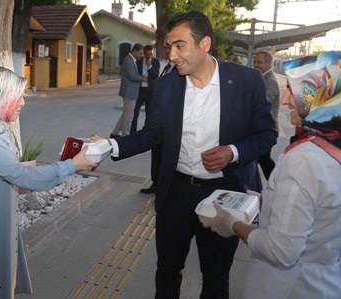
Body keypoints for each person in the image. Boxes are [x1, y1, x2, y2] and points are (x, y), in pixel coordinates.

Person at [93, 11, 277, 298]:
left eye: (180, 45)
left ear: (205, 44)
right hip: (175, 193)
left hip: (223, 195)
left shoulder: (247, 81)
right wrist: (109, 146)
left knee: (216, 277)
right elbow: (152, 134)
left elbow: (267, 134)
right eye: (169, 47)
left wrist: (233, 151)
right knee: (167, 270)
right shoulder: (167, 85)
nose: (172, 54)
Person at [0, 63, 97, 299]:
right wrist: (72, 165)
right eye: (15, 96)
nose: (23, 102)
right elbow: (22, 176)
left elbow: (12, 174)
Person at [205, 51, 341, 299]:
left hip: (287, 286)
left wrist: (233, 225)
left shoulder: (304, 160)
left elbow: (281, 251)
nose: (288, 99)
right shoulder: (332, 148)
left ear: (322, 97)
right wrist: (270, 200)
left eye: (296, 90)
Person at [140, 42, 174, 194]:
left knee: (164, 156)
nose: (167, 50)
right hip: (158, 121)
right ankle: (156, 183)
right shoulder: (168, 66)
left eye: (170, 47)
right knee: (156, 153)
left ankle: (163, 186)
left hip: (169, 124)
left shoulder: (178, 69)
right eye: (165, 47)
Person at [253, 50, 280, 179]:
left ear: (269, 63)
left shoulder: (271, 81)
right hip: (261, 128)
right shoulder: (261, 77)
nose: (256, 65)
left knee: (264, 159)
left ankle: (275, 184)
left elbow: (264, 101)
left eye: (259, 62)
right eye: (254, 62)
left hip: (267, 129)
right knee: (260, 159)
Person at [110, 43, 146, 137]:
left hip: (130, 91)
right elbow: (132, 76)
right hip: (129, 92)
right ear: (134, 51)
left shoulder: (131, 59)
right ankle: (125, 135)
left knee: (126, 114)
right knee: (129, 116)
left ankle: (114, 133)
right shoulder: (129, 60)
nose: (141, 56)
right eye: (140, 53)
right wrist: (143, 78)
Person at [130, 44, 160, 134]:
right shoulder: (138, 61)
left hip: (150, 91)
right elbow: (134, 75)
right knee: (135, 113)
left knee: (149, 114)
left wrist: (149, 66)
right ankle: (132, 133)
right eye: (148, 54)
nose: (150, 56)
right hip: (139, 90)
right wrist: (142, 78)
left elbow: (155, 76)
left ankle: (145, 133)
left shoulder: (155, 61)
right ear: (144, 53)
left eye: (151, 54)